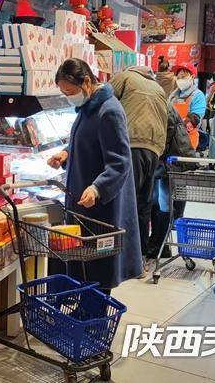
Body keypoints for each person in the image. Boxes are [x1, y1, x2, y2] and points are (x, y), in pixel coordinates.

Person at [47, 58, 142, 292]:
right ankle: (85, 308)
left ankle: (95, 313)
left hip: (100, 208)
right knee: (84, 269)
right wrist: (66, 154)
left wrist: (98, 188)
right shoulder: (87, 108)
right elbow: (88, 141)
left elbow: (120, 161)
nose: (68, 97)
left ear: (87, 82)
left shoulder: (109, 111)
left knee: (98, 272)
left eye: (70, 92)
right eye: (63, 93)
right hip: (83, 202)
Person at [109, 67, 168, 275]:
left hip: (131, 144)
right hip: (154, 150)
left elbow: (101, 99)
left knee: (126, 204)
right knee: (143, 205)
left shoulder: (124, 77)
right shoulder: (158, 88)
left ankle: (121, 259)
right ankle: (140, 259)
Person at [148, 101, 196, 260]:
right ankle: (159, 244)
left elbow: (163, 139)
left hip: (173, 161)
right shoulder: (161, 104)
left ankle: (159, 245)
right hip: (171, 160)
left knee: (163, 202)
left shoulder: (162, 107)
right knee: (158, 201)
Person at [168, 62, 206, 150]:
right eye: (178, 78)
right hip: (171, 140)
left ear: (192, 77)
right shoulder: (173, 95)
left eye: (183, 77)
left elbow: (195, 118)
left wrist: (174, 126)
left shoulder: (198, 95)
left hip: (187, 141)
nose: (180, 80)